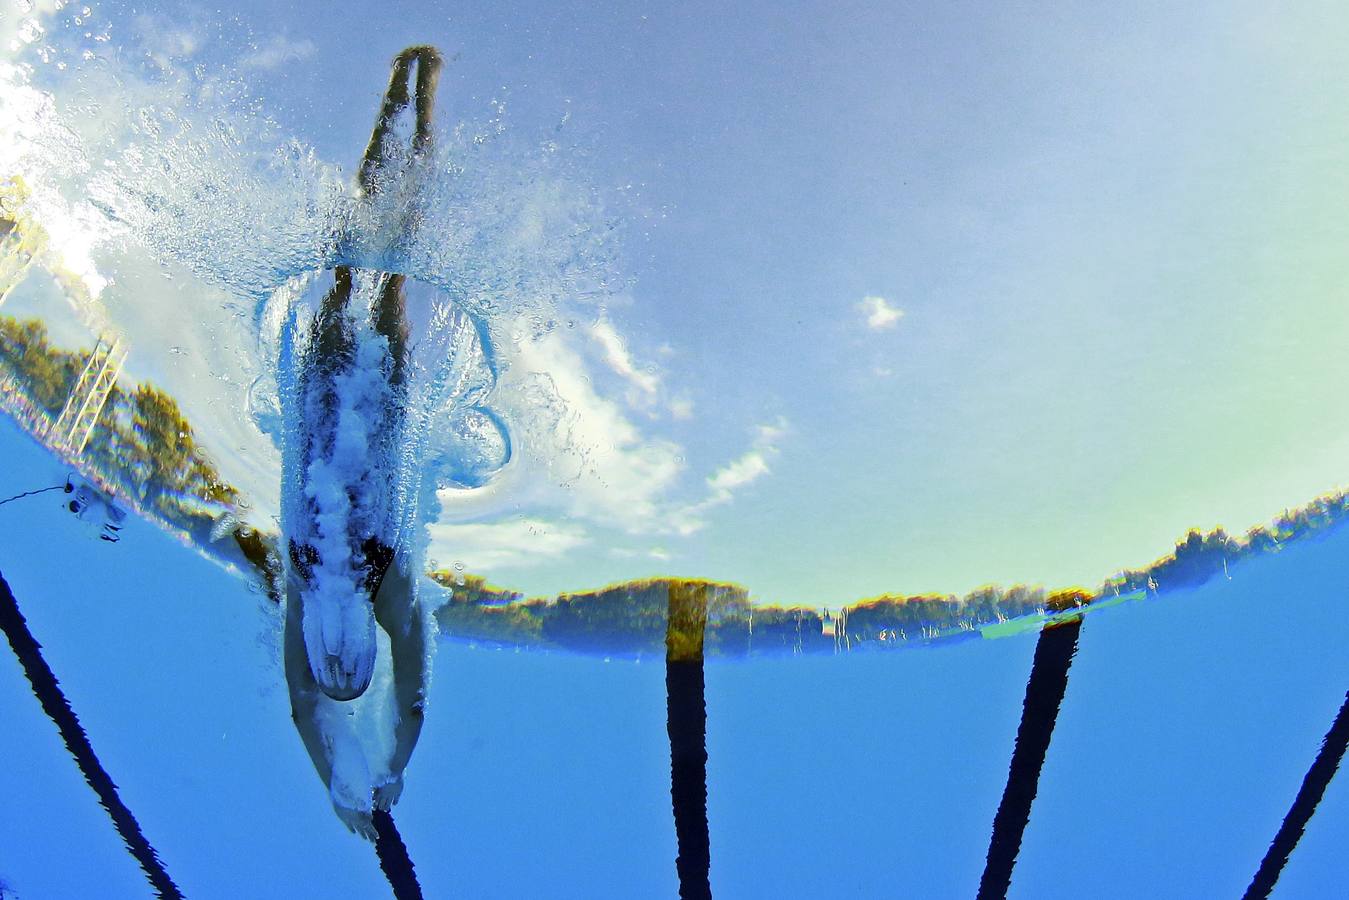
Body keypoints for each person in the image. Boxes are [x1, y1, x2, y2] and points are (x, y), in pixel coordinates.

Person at [282, 45, 442, 840]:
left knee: (391, 265)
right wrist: (366, 776)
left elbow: (410, 697)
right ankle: (408, 96)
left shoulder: (384, 593)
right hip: (331, 396)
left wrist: (389, 770)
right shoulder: (306, 577)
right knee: (358, 267)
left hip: (375, 400)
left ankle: (423, 96)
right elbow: (304, 707)